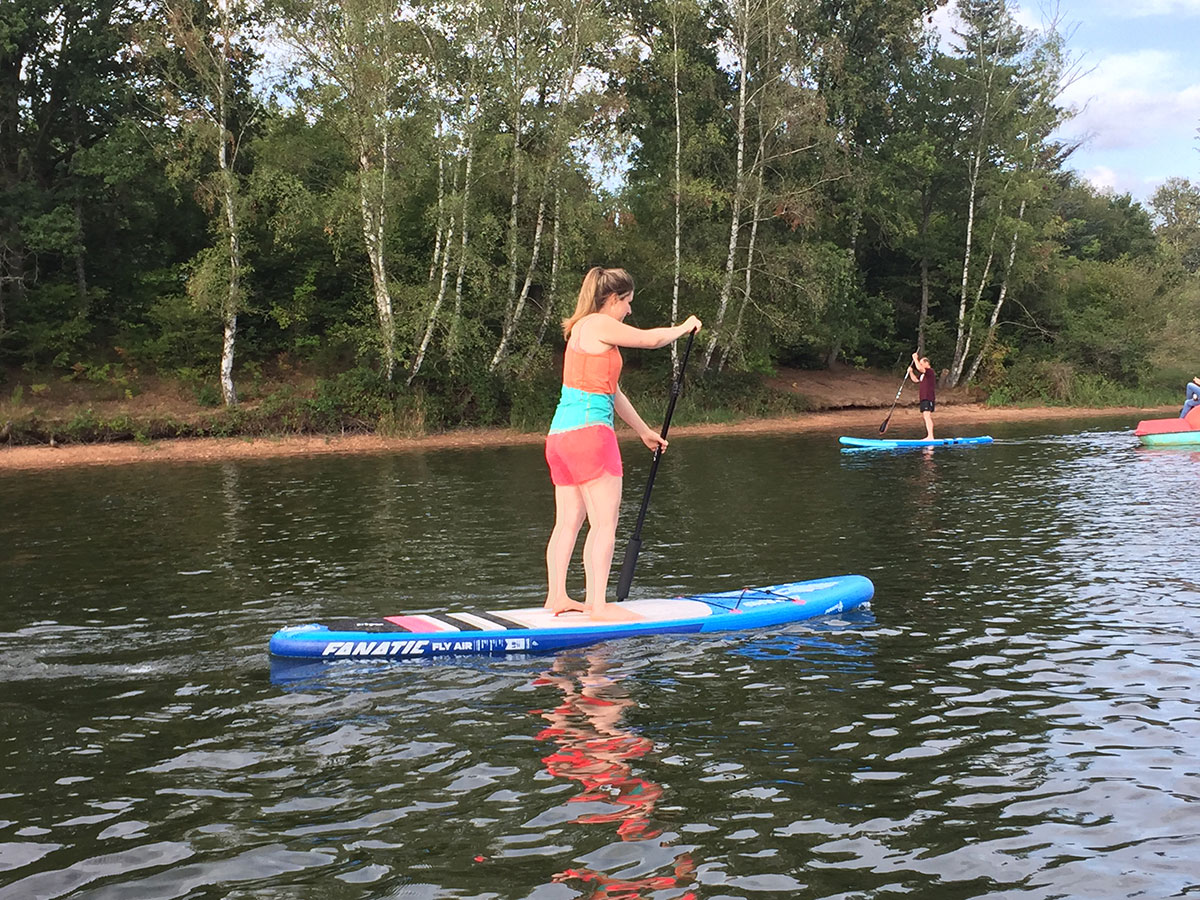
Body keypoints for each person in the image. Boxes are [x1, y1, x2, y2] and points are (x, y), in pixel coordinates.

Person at [544, 266, 701, 621]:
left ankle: (558, 597)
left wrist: (644, 430)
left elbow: (611, 391)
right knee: (604, 524)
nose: (629, 310)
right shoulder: (599, 323)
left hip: (560, 438)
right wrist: (684, 327)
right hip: (591, 437)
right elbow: (650, 340)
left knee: (567, 523)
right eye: (628, 302)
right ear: (613, 298)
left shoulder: (580, 330)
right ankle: (599, 606)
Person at [908, 351, 936, 440]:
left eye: (921, 363)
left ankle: (930, 436)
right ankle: (929, 436)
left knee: (927, 416)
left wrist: (915, 359)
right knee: (925, 416)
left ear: (926, 363)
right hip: (923, 397)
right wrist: (911, 372)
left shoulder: (930, 371)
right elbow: (916, 380)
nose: (920, 365)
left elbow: (920, 368)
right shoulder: (923, 375)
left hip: (928, 397)